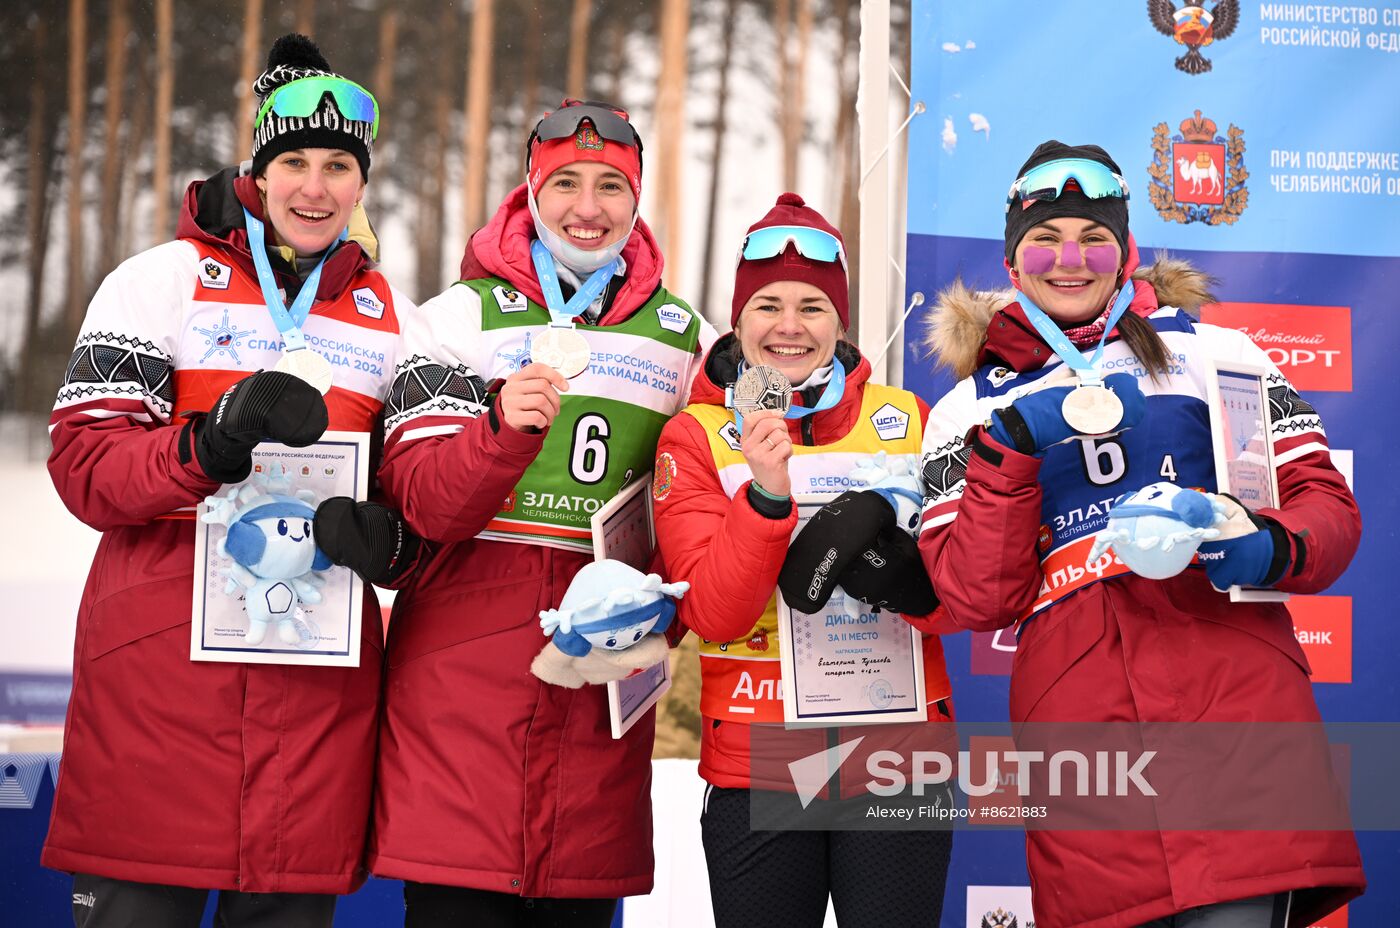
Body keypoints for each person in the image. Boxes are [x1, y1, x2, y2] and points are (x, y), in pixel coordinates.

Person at [917, 141, 1365, 927]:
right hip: (1088, 756)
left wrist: (1265, 545)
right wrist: (1010, 448)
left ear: (1124, 253)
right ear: (1012, 261)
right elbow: (977, 596)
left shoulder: (1213, 354)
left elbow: (1322, 502)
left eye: (1093, 239)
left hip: (1237, 723)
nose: (1070, 260)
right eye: (1045, 240)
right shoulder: (968, 410)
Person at [44, 34, 411, 927]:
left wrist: (397, 542)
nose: (315, 188)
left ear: (362, 182)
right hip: (159, 698)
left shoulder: (388, 315)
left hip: (310, 709)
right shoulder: (158, 283)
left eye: (338, 166)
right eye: (295, 163)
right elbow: (85, 468)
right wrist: (204, 448)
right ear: (258, 167)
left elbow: (412, 495)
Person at [369, 99, 717, 926]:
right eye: (565, 183)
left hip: (596, 698)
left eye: (610, 186)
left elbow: (700, 513)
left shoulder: (685, 339)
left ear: (636, 198)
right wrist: (498, 430)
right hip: (462, 699)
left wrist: (657, 614)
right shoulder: (457, 318)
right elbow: (423, 503)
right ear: (530, 190)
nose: (587, 208)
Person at [652, 193, 955, 928]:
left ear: (840, 322)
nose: (789, 327)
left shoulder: (908, 420)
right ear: (737, 321)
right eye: (768, 306)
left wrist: (913, 586)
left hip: (895, 758)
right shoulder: (696, 434)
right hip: (760, 760)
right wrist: (764, 496)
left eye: (813, 307)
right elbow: (714, 614)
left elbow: (968, 598)